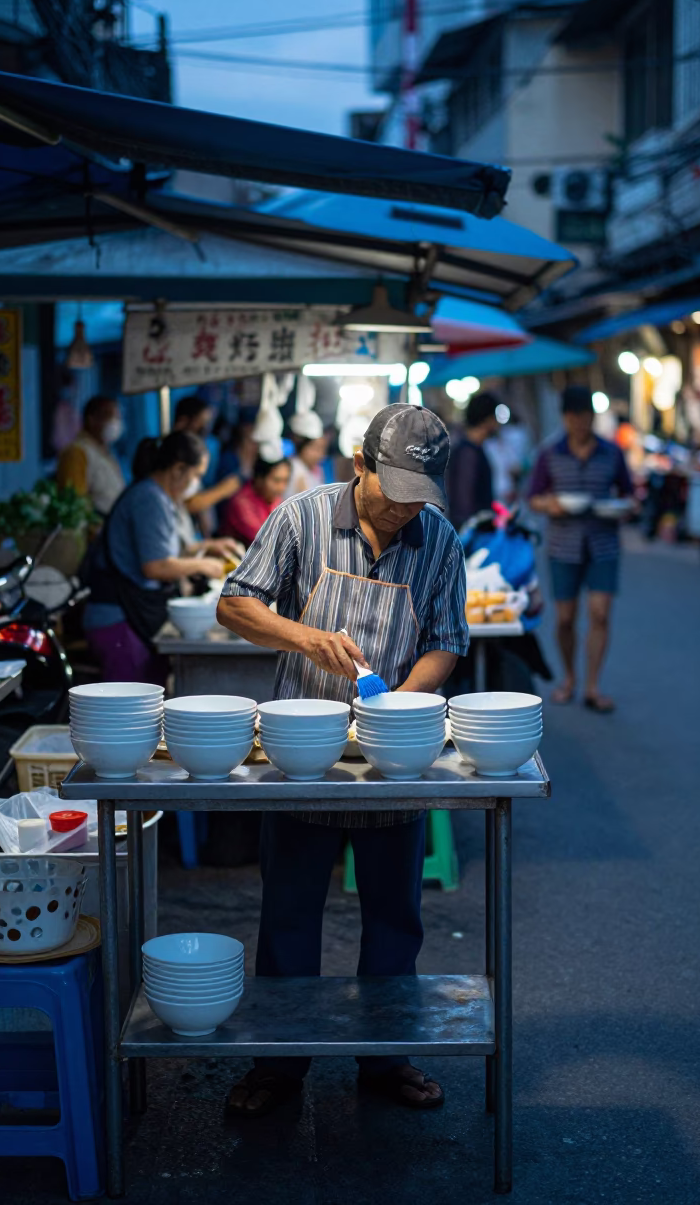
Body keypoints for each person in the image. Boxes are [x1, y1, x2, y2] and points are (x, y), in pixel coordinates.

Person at [217, 403, 469, 1118]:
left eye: (418, 499)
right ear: (360, 466)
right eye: (393, 493)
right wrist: (304, 638)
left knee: (395, 916)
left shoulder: (438, 540)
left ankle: (385, 1057)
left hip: (393, 758)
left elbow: (447, 638)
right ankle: (279, 1067)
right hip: (303, 753)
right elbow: (235, 606)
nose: (402, 512)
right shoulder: (301, 518)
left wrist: (400, 706)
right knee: (290, 913)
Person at [82, 432, 224, 683]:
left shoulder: (159, 498)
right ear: (179, 469)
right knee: (127, 713)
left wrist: (207, 547)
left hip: (131, 616)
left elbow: (163, 551)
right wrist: (205, 564)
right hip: (118, 618)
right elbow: (155, 566)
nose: (197, 483)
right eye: (197, 475)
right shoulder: (148, 499)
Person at [528, 384, 635, 713]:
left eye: (586, 417)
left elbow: (630, 496)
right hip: (563, 547)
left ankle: (592, 686)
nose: (581, 423)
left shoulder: (612, 453)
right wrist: (552, 504)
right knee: (564, 619)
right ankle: (570, 678)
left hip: (603, 544)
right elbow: (533, 497)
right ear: (565, 418)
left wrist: (623, 507)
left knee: (600, 615)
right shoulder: (550, 453)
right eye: (575, 417)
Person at [172, 395, 242, 520]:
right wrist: (224, 489)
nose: (205, 429)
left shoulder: (208, 446)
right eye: (200, 423)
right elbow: (187, 503)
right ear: (182, 422)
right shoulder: (174, 455)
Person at [56, 395, 125, 517]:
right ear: (91, 420)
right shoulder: (76, 452)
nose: (115, 423)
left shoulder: (104, 452)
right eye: (109, 416)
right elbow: (74, 504)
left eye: (117, 417)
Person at [444, 391, 499, 529]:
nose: (497, 423)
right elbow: (463, 503)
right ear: (487, 419)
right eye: (495, 417)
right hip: (472, 537)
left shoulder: (473, 449)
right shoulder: (468, 452)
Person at [219, 450, 292, 548]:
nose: (281, 488)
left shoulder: (274, 499)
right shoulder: (242, 503)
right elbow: (264, 540)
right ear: (259, 478)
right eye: (276, 481)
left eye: (285, 481)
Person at [284, 420, 327, 499]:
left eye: (323, 449)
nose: (320, 455)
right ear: (302, 446)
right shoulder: (293, 468)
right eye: (316, 449)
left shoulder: (317, 470)